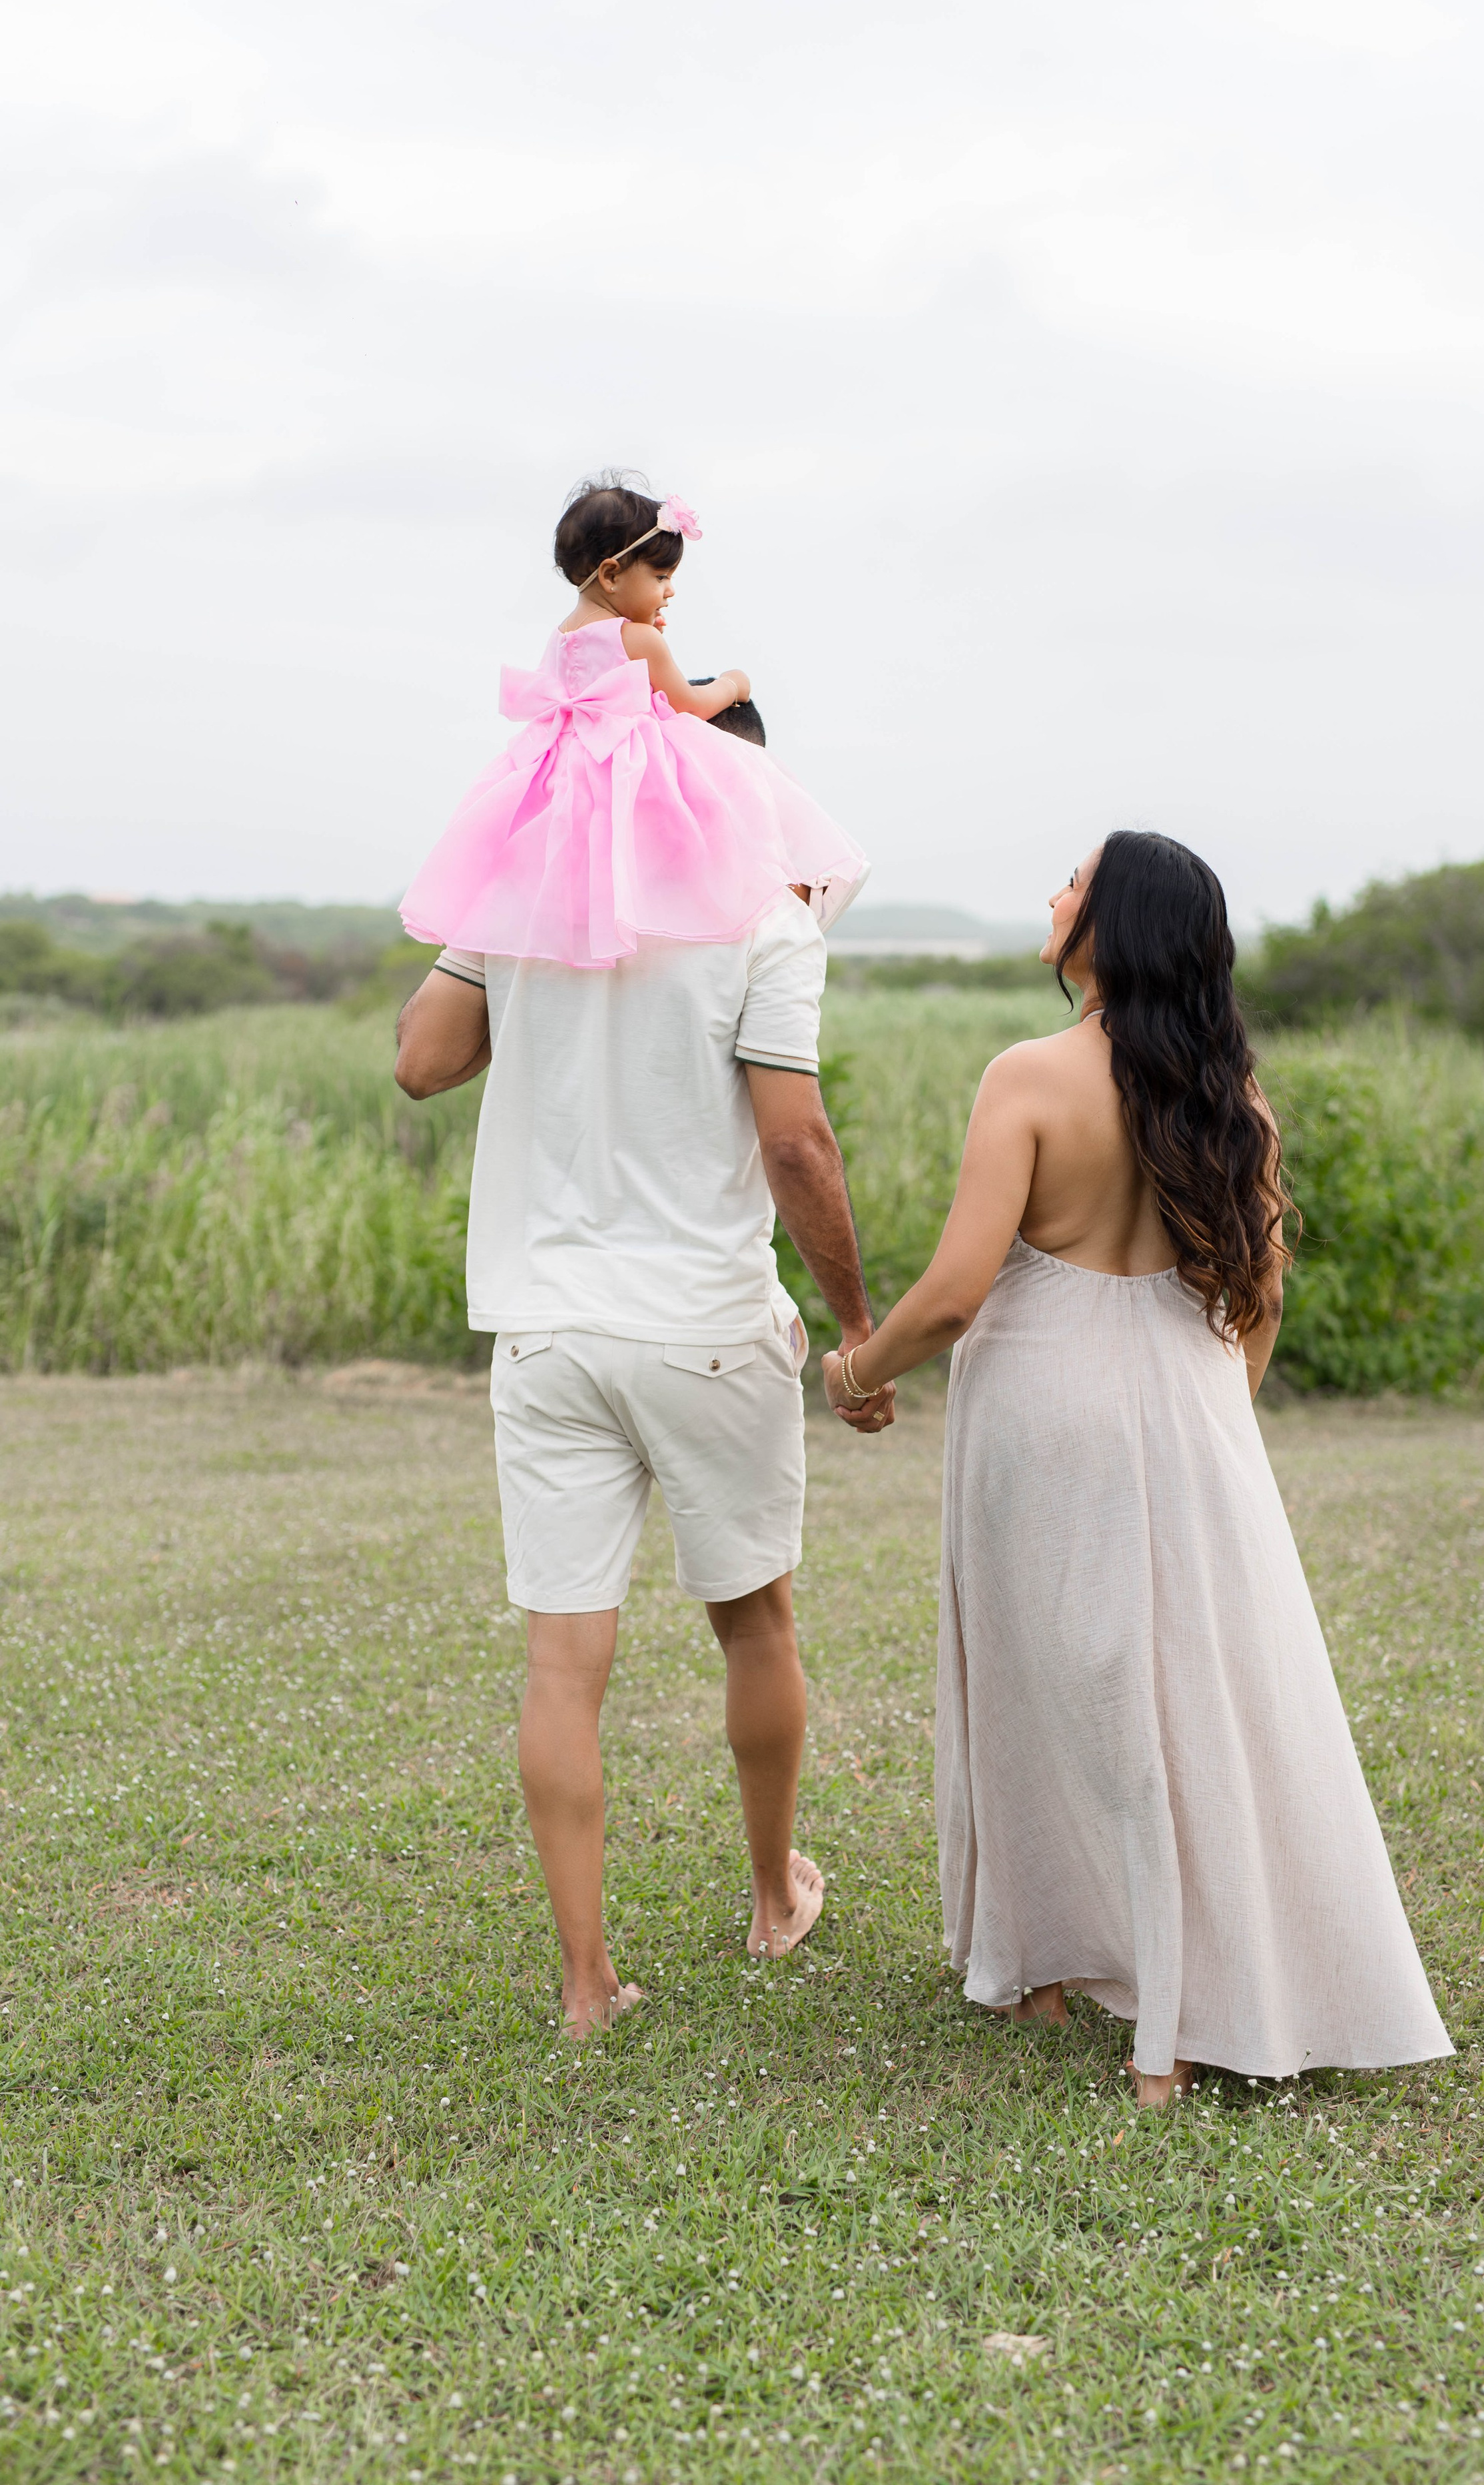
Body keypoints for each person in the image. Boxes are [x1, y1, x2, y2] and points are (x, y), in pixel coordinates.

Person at [822, 831, 1454, 2105]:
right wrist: (1213, 1412)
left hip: (1043, 1401)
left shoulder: (1031, 1077)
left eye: (1073, 880)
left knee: (1033, 1677)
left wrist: (858, 1368)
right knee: (1178, 1697)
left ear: (1110, 928)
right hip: (1186, 1406)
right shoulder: (1232, 1094)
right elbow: (1263, 1294)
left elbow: (952, 1293)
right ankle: (1136, 1999)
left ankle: (1047, 1967)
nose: (1052, 894)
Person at [394, 476, 891, 2040]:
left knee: (564, 1659)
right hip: (698, 1322)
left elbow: (419, 1061)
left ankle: (585, 1981)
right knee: (753, 1618)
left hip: (545, 1327)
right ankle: (767, 1897)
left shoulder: (530, 893)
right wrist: (858, 1319)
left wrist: (486, 940)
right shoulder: (765, 915)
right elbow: (796, 1145)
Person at [399, 476, 866, 968]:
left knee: (579, 851)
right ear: (611, 575)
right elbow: (686, 704)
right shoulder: (640, 641)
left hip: (564, 772)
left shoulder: (560, 637)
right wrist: (732, 684)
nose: (669, 591)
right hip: (626, 769)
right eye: (661, 577)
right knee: (711, 803)